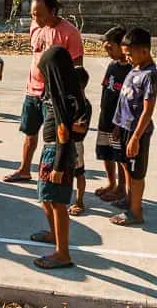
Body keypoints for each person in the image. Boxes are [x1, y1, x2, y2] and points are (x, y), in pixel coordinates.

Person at [4, 0, 83, 183]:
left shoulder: (70, 33)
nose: (35, 18)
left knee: (54, 139)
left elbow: (78, 70)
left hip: (54, 96)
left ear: (53, 11)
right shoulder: (35, 27)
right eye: (33, 14)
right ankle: (24, 170)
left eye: (39, 14)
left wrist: (75, 103)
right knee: (29, 134)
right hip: (32, 90)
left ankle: (55, 173)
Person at [30, 46, 83, 269]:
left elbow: (65, 132)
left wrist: (59, 166)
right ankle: (54, 235)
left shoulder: (64, 96)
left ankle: (63, 253)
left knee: (58, 202)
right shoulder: (59, 93)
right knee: (46, 198)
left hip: (58, 154)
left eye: (45, 71)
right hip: (51, 150)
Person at [111, 27, 157, 226]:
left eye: (130, 54)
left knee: (137, 172)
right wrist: (117, 124)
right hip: (124, 127)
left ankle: (136, 212)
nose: (128, 58)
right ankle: (129, 199)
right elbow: (124, 99)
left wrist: (136, 137)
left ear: (144, 51)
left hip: (137, 132)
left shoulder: (149, 75)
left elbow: (147, 111)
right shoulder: (135, 69)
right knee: (126, 165)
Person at [95, 26, 131, 203]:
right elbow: (105, 90)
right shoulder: (112, 65)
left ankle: (121, 188)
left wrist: (119, 124)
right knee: (106, 152)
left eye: (110, 47)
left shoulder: (131, 70)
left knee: (120, 155)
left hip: (120, 122)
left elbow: (128, 101)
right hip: (105, 116)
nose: (108, 52)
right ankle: (111, 183)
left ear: (121, 45)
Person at [68, 66, 92, 216]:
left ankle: (79, 201)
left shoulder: (84, 105)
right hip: (65, 142)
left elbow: (82, 128)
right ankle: (64, 198)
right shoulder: (70, 100)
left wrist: (63, 123)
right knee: (66, 173)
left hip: (76, 144)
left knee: (79, 173)